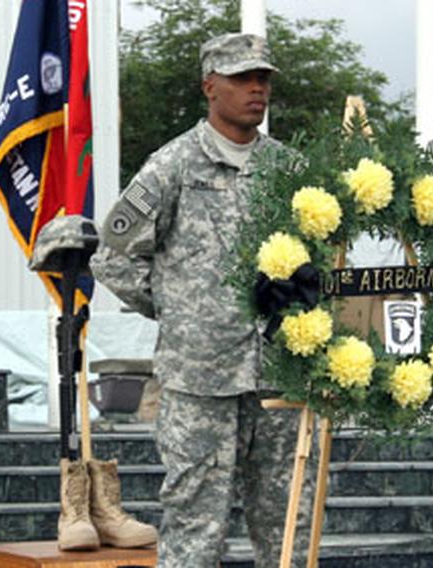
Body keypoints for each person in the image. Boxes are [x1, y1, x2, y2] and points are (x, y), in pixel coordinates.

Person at [90, 33, 314, 567]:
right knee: (195, 522)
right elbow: (113, 256)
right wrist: (179, 306)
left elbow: (319, 262)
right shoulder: (172, 166)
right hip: (200, 381)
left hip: (279, 375)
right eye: (242, 78)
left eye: (263, 79)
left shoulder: (292, 172)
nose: (256, 89)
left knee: (291, 522)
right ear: (209, 86)